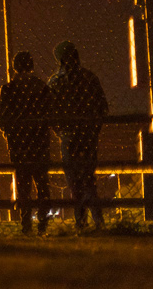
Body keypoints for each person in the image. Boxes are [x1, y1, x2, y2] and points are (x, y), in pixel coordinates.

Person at [48, 41, 108, 231]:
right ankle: (98, 220)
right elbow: (102, 108)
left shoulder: (55, 82)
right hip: (88, 134)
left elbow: (48, 113)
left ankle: (80, 221)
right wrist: (93, 129)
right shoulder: (90, 78)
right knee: (89, 179)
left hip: (69, 136)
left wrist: (60, 132)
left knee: (74, 181)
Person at [0, 50, 53, 234]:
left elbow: (2, 120)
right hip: (39, 143)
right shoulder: (42, 88)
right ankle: (43, 223)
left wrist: (11, 133)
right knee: (42, 184)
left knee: (23, 185)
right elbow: (49, 115)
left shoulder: (8, 89)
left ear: (14, 68)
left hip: (19, 144)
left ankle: (25, 224)